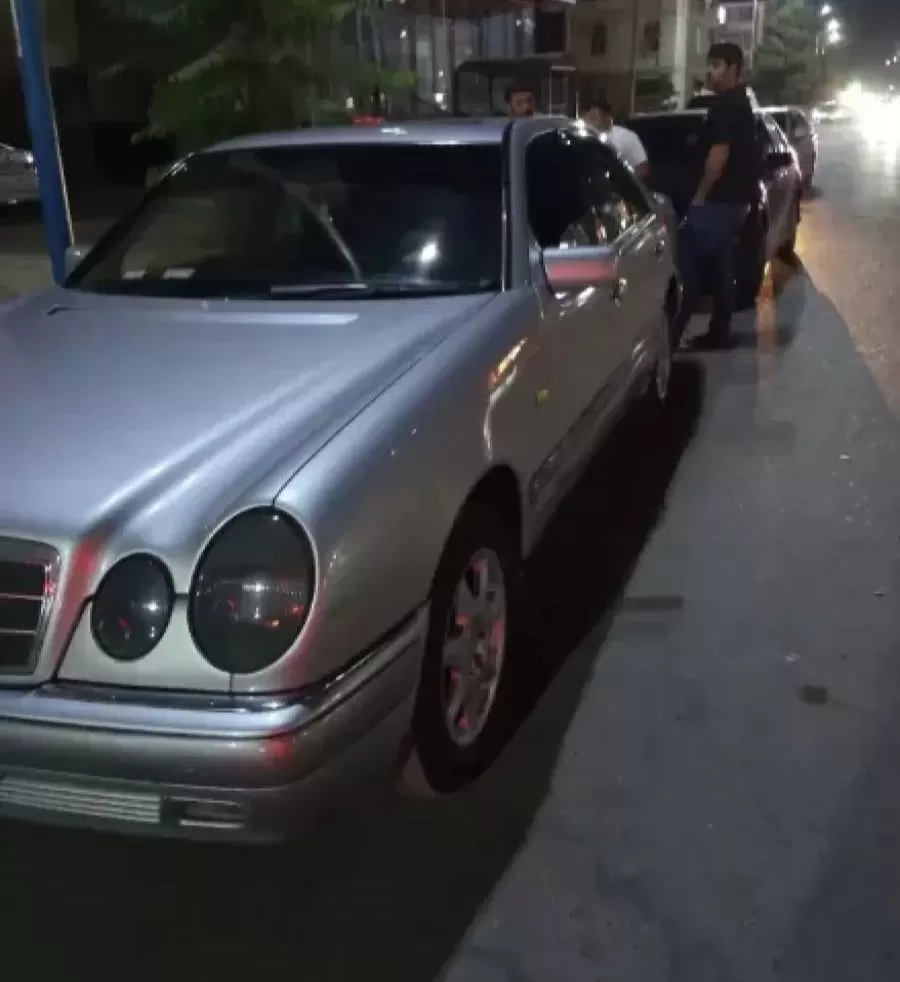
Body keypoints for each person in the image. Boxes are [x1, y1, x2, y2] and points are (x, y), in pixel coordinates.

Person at [673, 42, 761, 350]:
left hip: (718, 201)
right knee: (722, 266)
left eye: (717, 65)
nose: (710, 72)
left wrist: (699, 197)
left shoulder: (726, 105)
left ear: (734, 69)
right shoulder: (741, 102)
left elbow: (718, 155)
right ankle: (719, 332)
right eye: (709, 65)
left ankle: (669, 340)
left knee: (688, 268)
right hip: (734, 202)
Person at [582, 97, 649, 179]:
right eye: (586, 117)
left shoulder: (627, 136)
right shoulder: (582, 136)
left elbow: (643, 168)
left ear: (606, 117)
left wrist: (626, 181)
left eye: (593, 117)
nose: (588, 122)